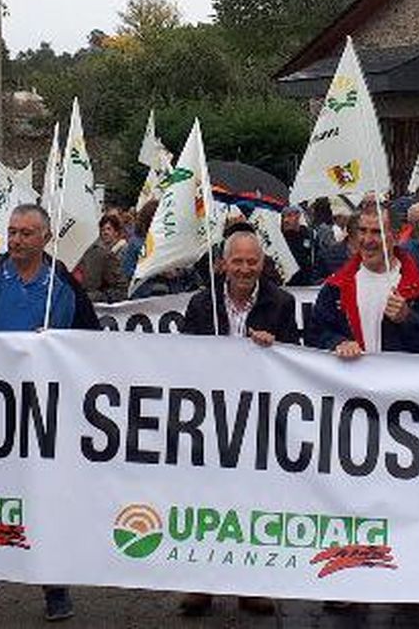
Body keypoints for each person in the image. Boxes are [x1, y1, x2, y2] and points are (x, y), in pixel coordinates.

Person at [0, 204, 96, 627]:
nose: (17, 240)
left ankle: (54, 584)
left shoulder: (62, 284)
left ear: (45, 237)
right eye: (12, 231)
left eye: (27, 233)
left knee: (47, 497)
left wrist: (61, 343)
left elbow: (93, 342)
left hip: (47, 413)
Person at [176, 230, 294, 618]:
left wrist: (274, 346)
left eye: (252, 261)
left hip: (259, 418)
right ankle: (201, 583)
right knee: (205, 499)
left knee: (254, 499)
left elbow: (297, 361)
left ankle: (250, 585)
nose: (245, 269)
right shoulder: (200, 303)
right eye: (237, 261)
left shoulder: (282, 302)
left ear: (262, 263)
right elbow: (183, 360)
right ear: (223, 264)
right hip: (211, 417)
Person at [307, 204, 419, 357]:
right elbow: (315, 335)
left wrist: (408, 318)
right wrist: (337, 342)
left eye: (377, 232)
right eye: (362, 231)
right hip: (354, 379)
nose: (367, 240)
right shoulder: (336, 286)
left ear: (396, 237)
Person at [75, 212, 130, 302]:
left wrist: (94, 297)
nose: (105, 232)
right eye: (103, 229)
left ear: (116, 232)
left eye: (108, 229)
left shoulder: (106, 254)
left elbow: (121, 288)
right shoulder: (93, 252)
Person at [279, 206, 316, 284]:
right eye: (283, 217)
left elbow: (316, 258)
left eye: (289, 215)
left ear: (298, 215)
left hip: (307, 283)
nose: (285, 220)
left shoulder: (308, 234)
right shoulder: (280, 237)